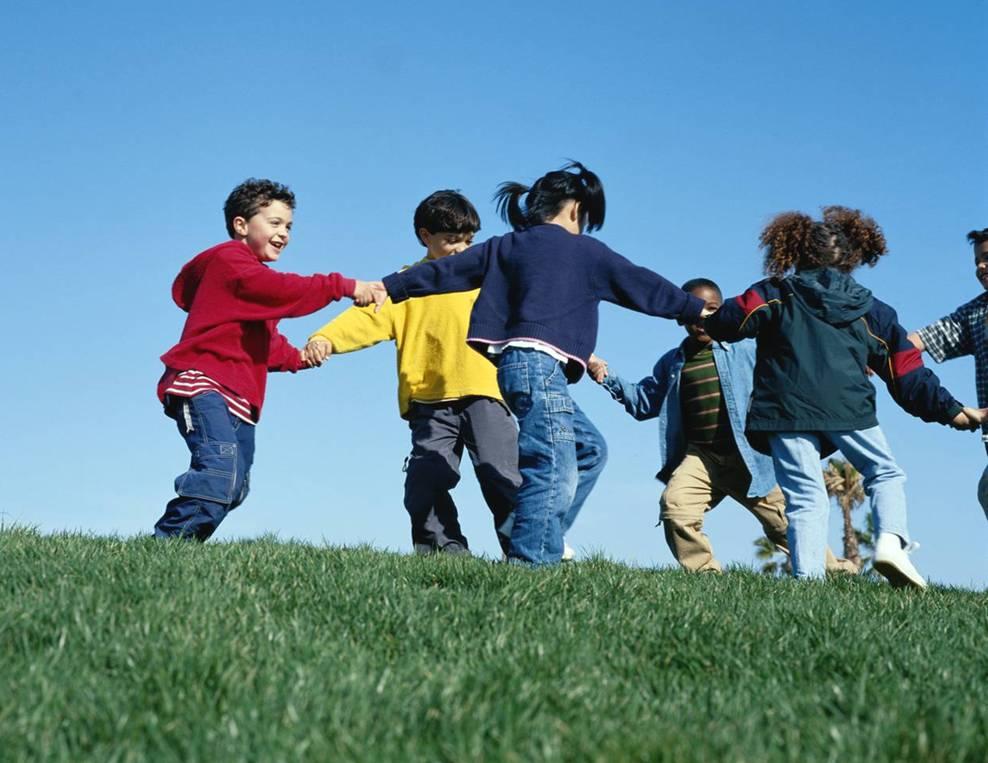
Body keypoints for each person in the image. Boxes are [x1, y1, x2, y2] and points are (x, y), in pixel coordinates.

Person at [379, 161, 709, 566]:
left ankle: (538, 533)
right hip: (536, 368)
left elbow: (448, 271)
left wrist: (391, 286)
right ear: (575, 209)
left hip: (521, 369)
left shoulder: (508, 246)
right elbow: (641, 283)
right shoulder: (583, 250)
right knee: (550, 462)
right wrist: (696, 310)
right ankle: (531, 561)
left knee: (590, 449)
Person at [703, 206, 984, 587]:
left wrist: (703, 313)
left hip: (785, 410)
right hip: (850, 409)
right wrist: (952, 411)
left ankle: (808, 583)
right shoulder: (873, 311)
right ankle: (889, 542)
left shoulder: (772, 294)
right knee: (884, 472)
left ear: (794, 251)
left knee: (804, 495)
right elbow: (906, 372)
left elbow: (728, 323)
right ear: (852, 258)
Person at [154, 178, 382, 540]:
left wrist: (302, 357)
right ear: (241, 225)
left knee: (235, 487)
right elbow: (280, 290)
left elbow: (268, 346)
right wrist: (343, 286)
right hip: (203, 381)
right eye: (274, 223)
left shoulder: (254, 284)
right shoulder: (231, 262)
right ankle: (165, 547)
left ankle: (181, 549)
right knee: (218, 474)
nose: (284, 233)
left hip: (241, 400)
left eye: (289, 226)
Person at [304, 191, 521, 556]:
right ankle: (444, 557)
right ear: (425, 236)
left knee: (504, 478)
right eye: (451, 240)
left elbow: (530, 317)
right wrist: (325, 338)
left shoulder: (487, 280)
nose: (460, 249)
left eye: (468, 240)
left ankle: (527, 554)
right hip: (429, 402)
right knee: (424, 483)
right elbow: (366, 316)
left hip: (485, 392)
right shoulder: (408, 283)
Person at [589, 278, 855, 574]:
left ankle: (837, 572)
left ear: (725, 310)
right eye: (694, 311)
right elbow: (643, 403)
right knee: (675, 508)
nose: (703, 318)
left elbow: (793, 363)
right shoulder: (673, 362)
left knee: (785, 525)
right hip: (703, 457)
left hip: (752, 457)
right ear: (680, 316)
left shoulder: (747, 347)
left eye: (712, 309)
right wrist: (605, 374)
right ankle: (706, 575)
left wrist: (844, 364)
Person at [908, 228, 988, 521]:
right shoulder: (977, 313)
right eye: (977, 261)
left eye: (987, 258)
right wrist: (874, 354)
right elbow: (921, 340)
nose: (980, 267)